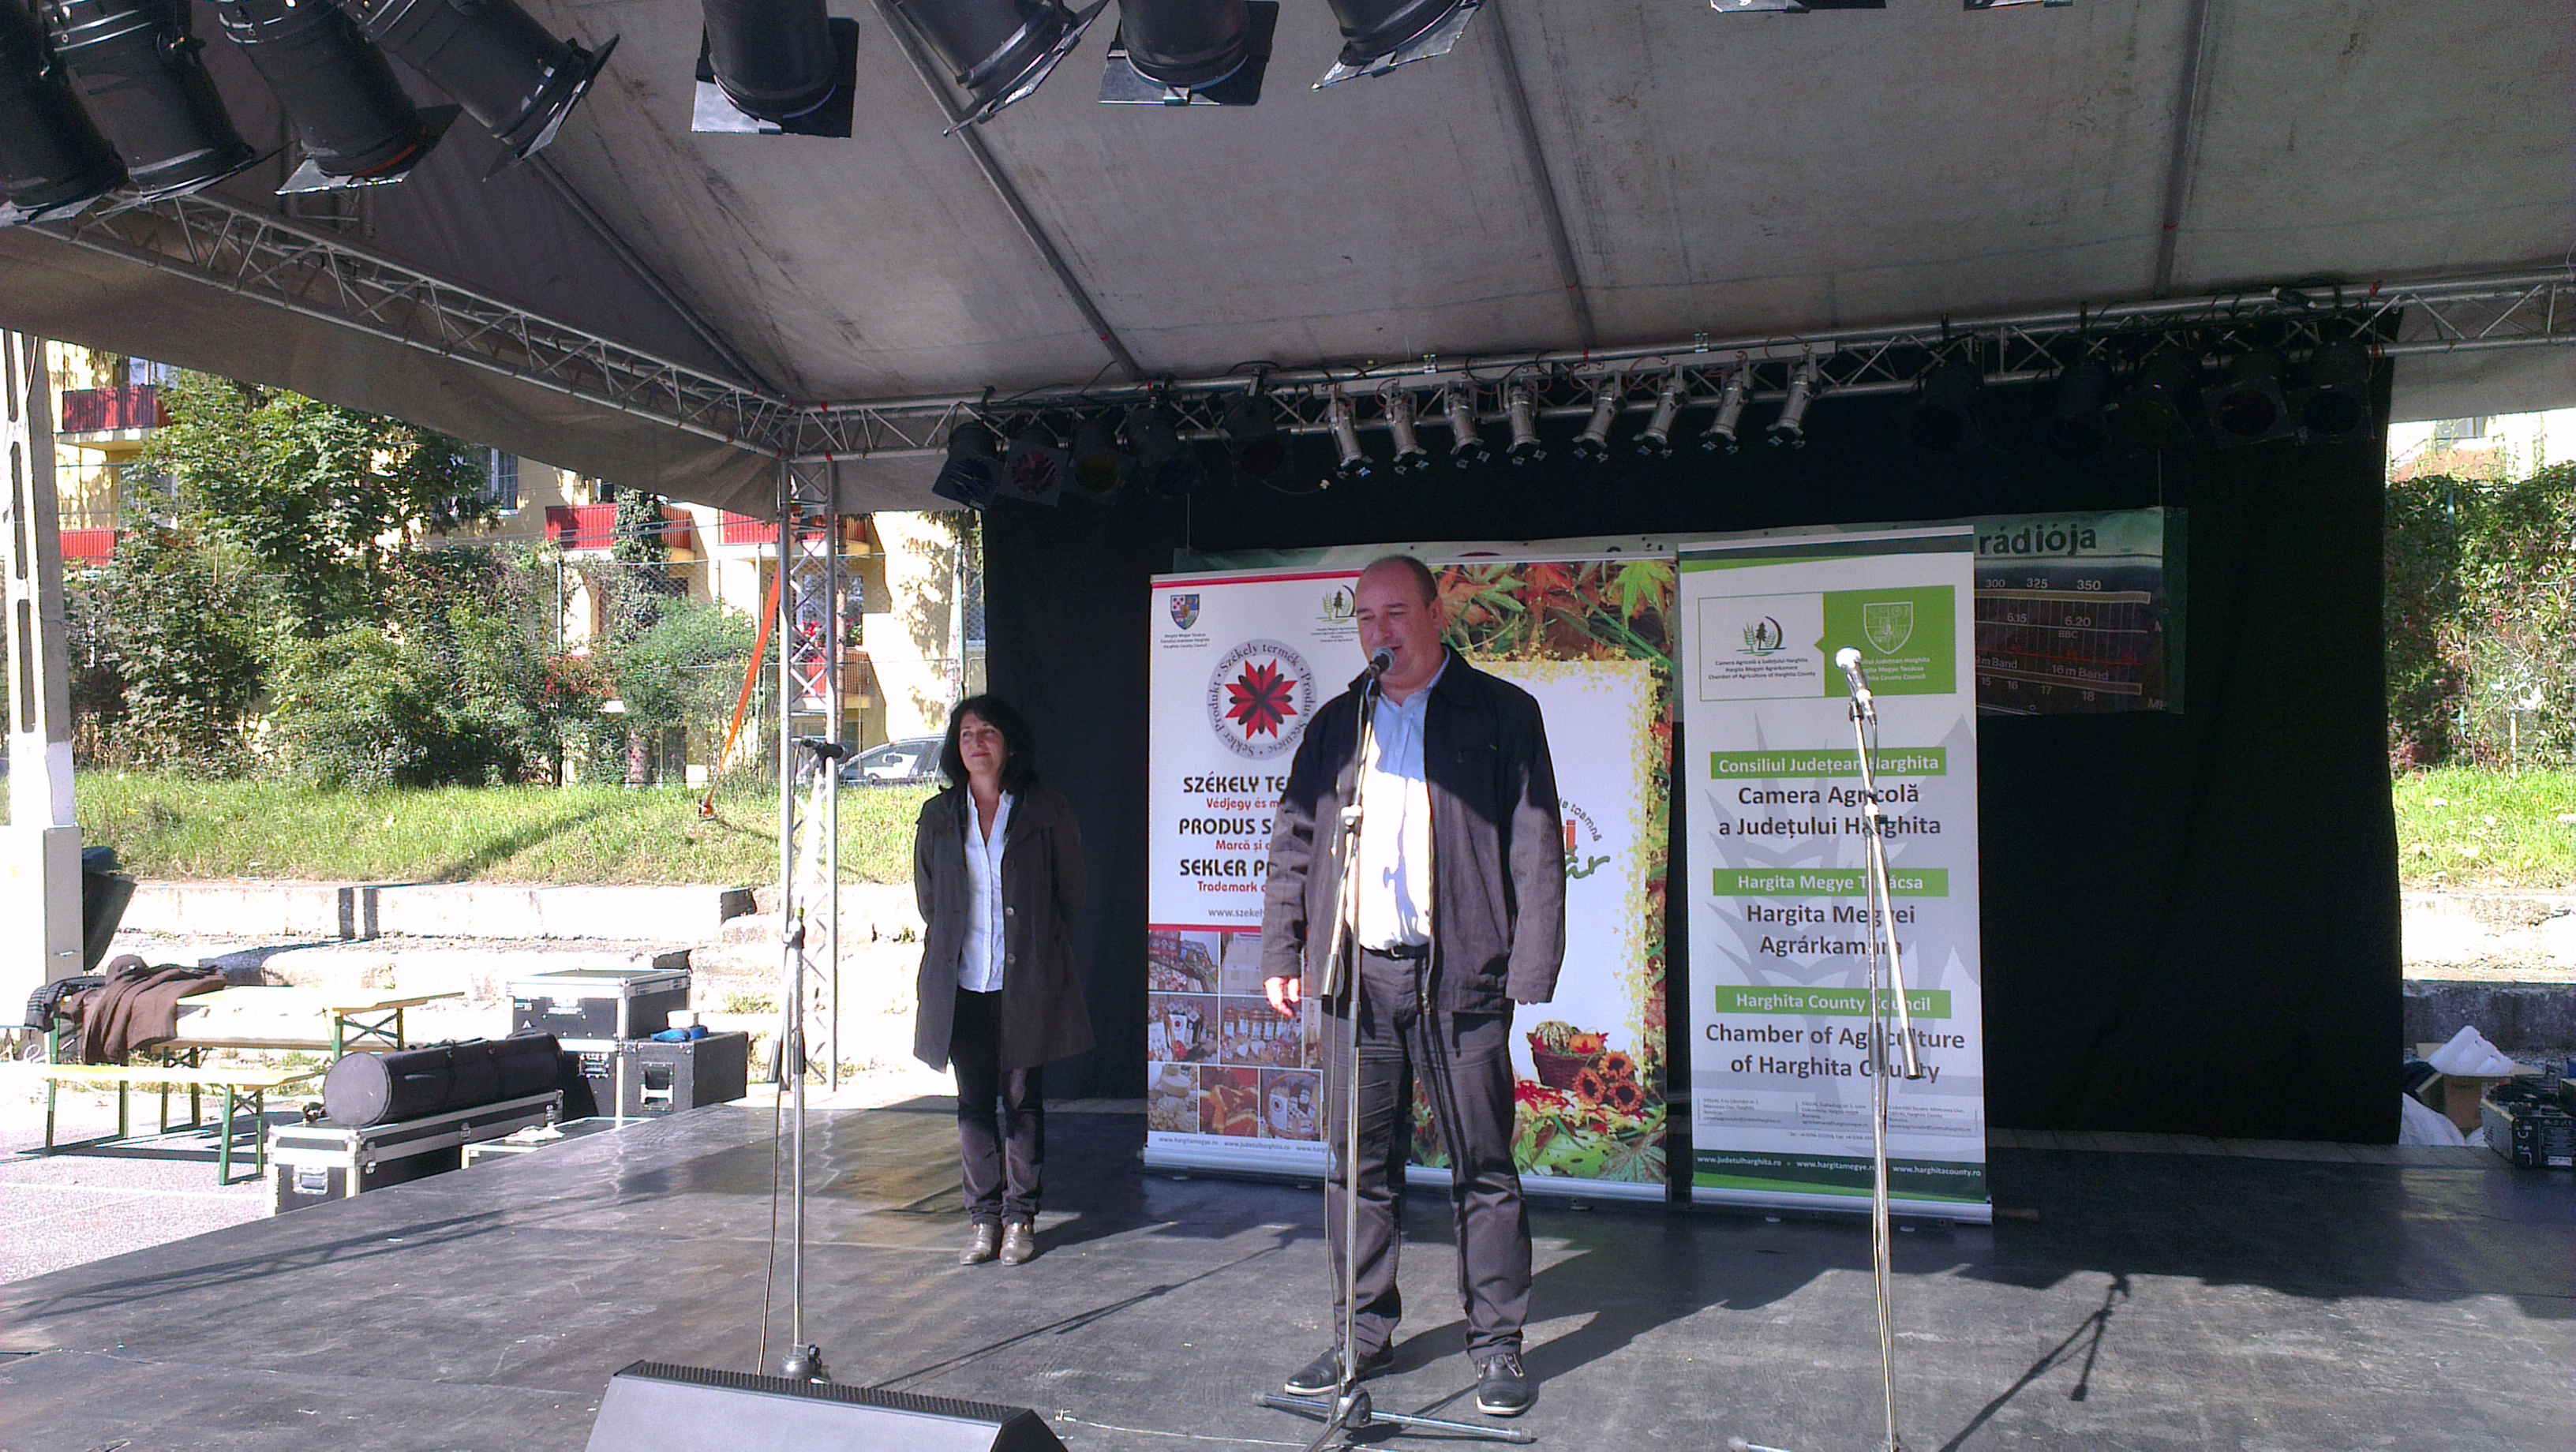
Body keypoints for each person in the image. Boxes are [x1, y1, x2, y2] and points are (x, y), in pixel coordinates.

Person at [1260, 556, 1566, 1417]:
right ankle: (1360, 1335)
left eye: (1395, 612)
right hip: (1357, 978)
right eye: (1365, 618)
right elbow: (1294, 839)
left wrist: (1529, 966)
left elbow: (1537, 844)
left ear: (1437, 612)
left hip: (1461, 975)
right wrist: (1283, 951)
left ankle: (1497, 1346)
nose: (1378, 632)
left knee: (1483, 1166)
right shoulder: (1339, 723)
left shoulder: (1501, 713)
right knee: (1358, 1168)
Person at [912, 694, 1094, 1267]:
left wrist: (1038, 948)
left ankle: (1020, 1218)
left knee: (1022, 1101)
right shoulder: (938, 816)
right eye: (966, 734)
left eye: (988, 731)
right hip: (962, 983)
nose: (977, 743)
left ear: (1009, 744)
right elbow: (929, 900)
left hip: (1024, 982)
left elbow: (1070, 892)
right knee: (972, 1103)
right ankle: (983, 1220)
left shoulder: (1045, 810)